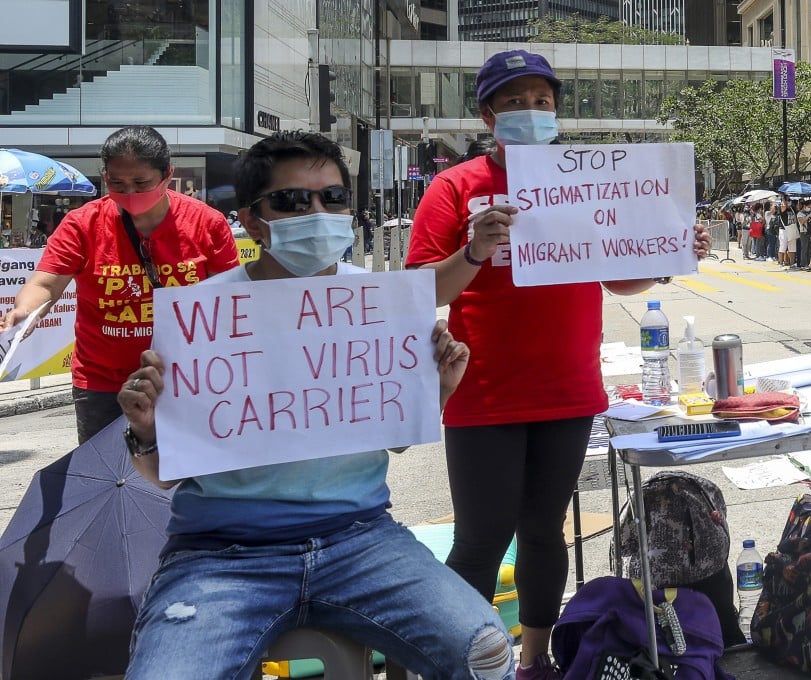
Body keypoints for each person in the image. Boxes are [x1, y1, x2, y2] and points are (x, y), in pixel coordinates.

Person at [116, 130, 514, 680]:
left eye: (332, 197)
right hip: (221, 554)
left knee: (488, 655)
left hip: (361, 539)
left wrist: (437, 389)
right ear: (253, 220)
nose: (318, 211)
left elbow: (393, 435)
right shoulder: (200, 319)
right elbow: (161, 476)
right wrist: (145, 428)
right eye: (294, 201)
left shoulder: (381, 303)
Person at [404, 49, 712, 679]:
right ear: (488, 114)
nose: (530, 112)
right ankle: (463, 661)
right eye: (515, 102)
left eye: (542, 101)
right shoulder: (455, 187)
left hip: (568, 390)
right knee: (481, 538)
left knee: (544, 530)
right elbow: (421, 287)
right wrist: (474, 248)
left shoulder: (581, 179)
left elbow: (618, 274)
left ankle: (533, 658)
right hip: (484, 392)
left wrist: (668, 252)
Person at [1, 126, 238, 443]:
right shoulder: (82, 224)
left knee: (181, 479)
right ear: (105, 176)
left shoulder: (207, 223)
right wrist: (24, 312)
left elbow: (231, 298)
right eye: (116, 183)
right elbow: (46, 284)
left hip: (185, 379)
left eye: (141, 183)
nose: (129, 193)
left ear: (167, 175)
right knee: (107, 477)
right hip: (102, 384)